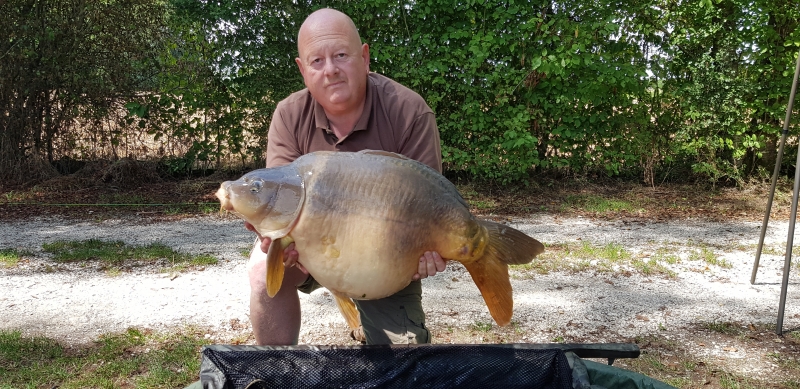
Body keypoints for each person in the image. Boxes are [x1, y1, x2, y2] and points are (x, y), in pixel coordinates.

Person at [245, 8, 447, 346]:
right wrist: (272, 237)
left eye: (341, 55)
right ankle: (275, 371)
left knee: (402, 357)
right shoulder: (289, 114)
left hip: (383, 258)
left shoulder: (409, 112)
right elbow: (277, 207)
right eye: (317, 61)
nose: (331, 71)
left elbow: (430, 207)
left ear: (365, 57)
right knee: (263, 272)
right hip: (308, 249)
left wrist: (431, 249)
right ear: (302, 69)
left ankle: (363, 309)